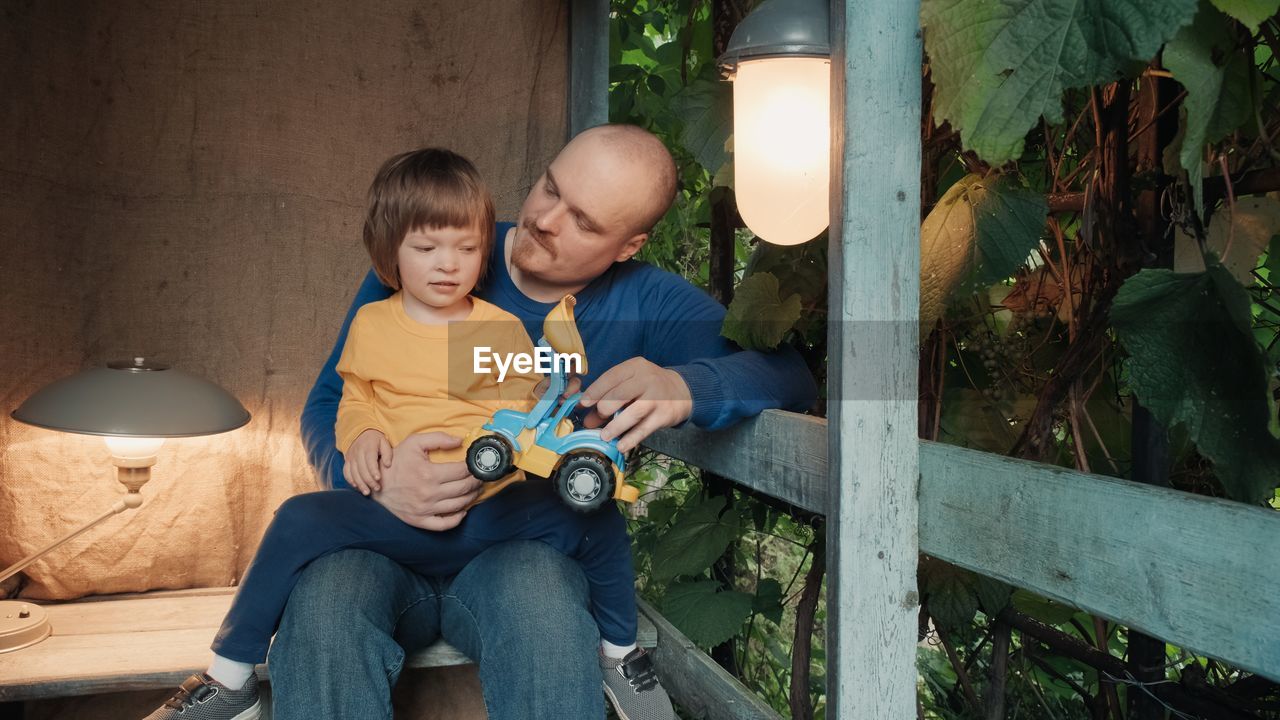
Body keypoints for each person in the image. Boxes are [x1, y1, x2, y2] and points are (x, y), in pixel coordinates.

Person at [275, 125, 816, 720]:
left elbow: (788, 373)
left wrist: (685, 385)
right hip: (379, 537)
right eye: (550, 188)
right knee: (322, 604)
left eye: (583, 222)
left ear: (629, 246)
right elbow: (330, 401)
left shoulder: (649, 302)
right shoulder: (444, 251)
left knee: (544, 606)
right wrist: (375, 480)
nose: (546, 219)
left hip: (517, 549)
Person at [143, 147, 679, 720]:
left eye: (468, 250)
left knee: (595, 516)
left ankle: (621, 657)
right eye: (426, 249)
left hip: (490, 520)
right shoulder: (374, 325)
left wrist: (570, 420)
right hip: (390, 524)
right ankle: (230, 679)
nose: (448, 265)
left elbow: (531, 411)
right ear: (391, 254)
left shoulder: (499, 330)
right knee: (296, 521)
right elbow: (353, 402)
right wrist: (364, 439)